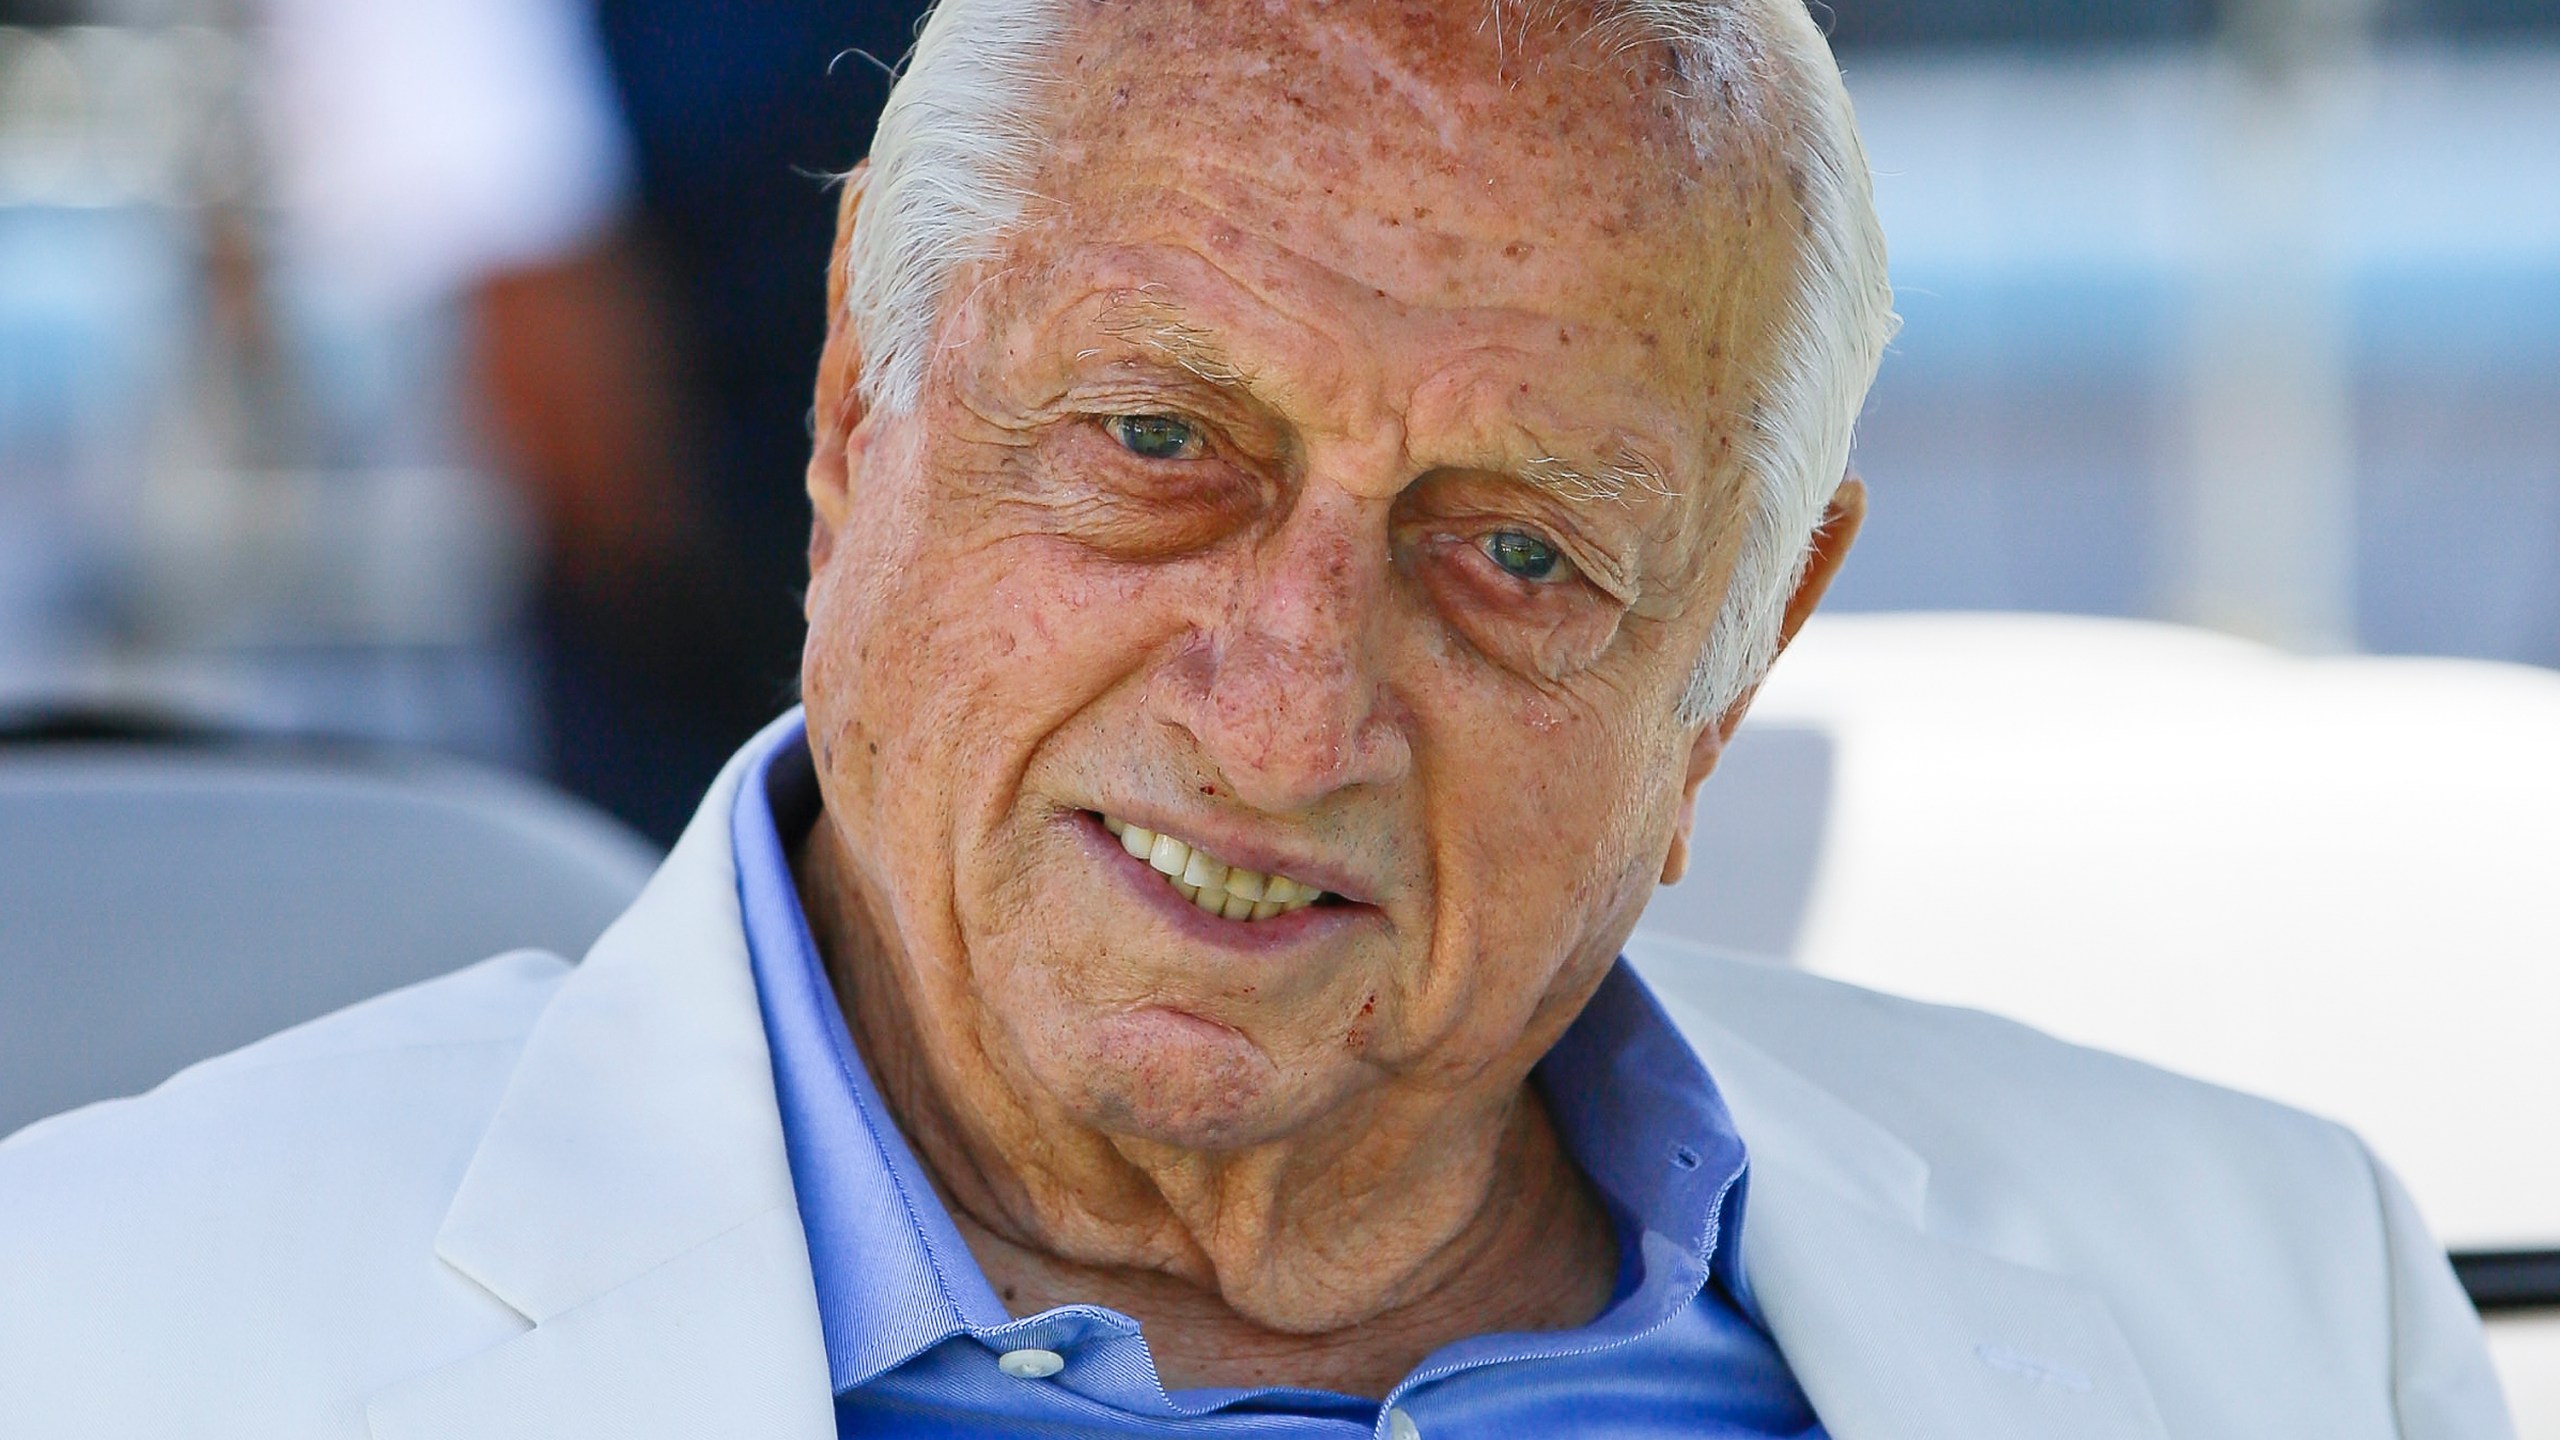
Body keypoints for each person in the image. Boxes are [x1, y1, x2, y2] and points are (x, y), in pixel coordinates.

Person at [0, 1, 2513, 1435]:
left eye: (1517, 552)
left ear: (1741, 650)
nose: (1288, 706)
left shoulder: (2273, 1302)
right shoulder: (105, 1338)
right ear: (863, 394)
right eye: (1157, 448)